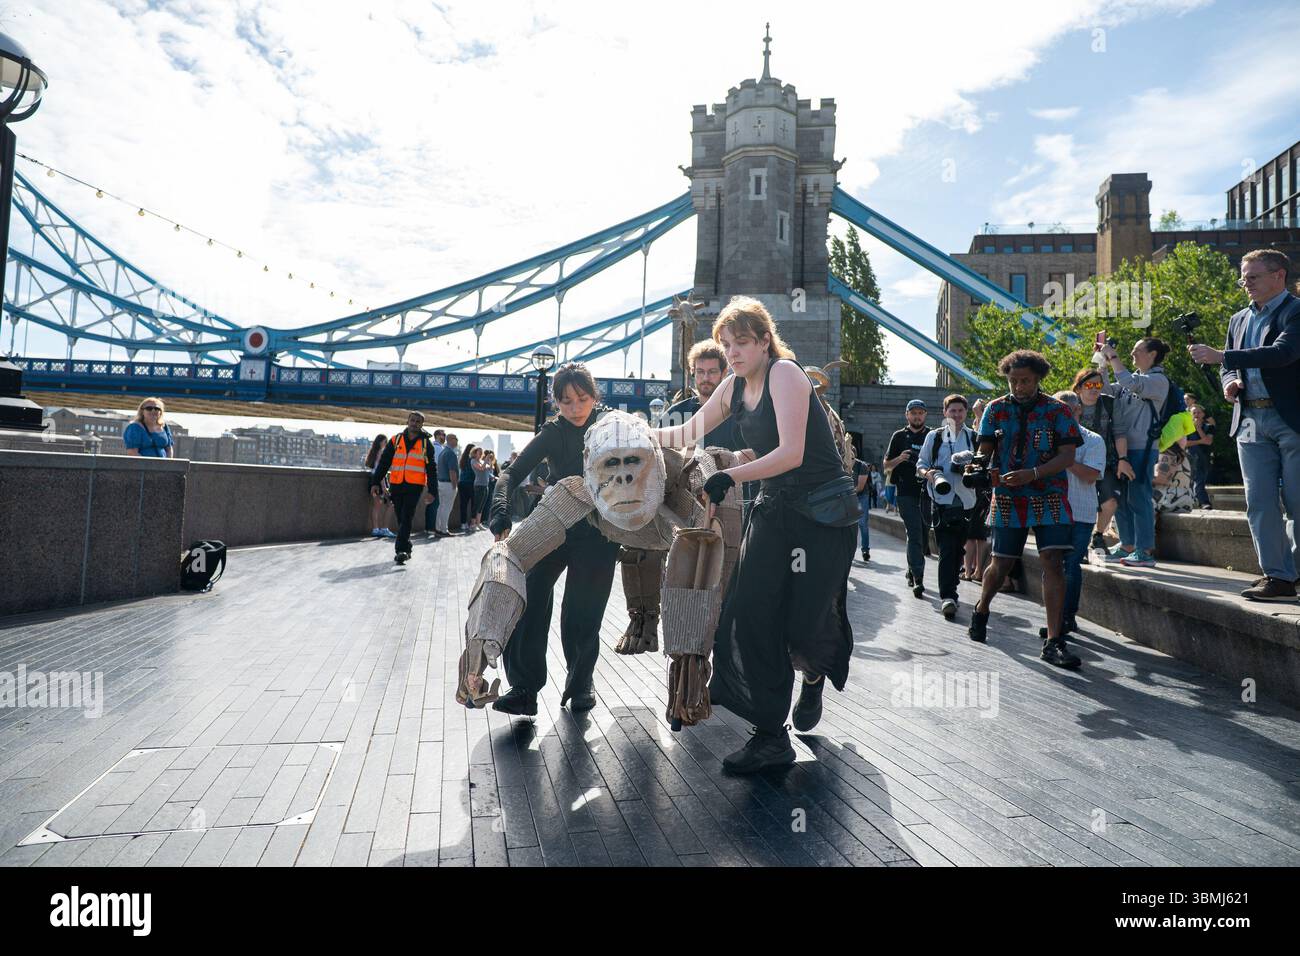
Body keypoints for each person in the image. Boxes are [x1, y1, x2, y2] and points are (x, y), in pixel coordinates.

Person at [653, 296, 857, 774]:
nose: (733, 352)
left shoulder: (786, 375)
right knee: (747, 615)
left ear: (765, 340)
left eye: (741, 342)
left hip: (820, 517)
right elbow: (685, 434)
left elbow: (790, 452)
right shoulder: (732, 386)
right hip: (774, 514)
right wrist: (631, 430)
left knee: (802, 625)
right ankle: (771, 737)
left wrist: (733, 477)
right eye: (726, 344)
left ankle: (813, 673)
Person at [489, 363, 622, 716]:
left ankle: (580, 684)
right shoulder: (552, 433)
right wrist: (500, 509)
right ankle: (523, 688)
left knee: (583, 609)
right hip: (554, 521)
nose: (575, 408)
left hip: (598, 529)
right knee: (528, 592)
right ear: (555, 403)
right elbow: (511, 474)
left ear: (595, 397)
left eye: (582, 399)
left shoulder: (613, 426)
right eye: (566, 401)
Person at [1189, 249, 1300, 601]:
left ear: (1278, 275)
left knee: (1297, 501)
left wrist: (1224, 358)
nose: (1245, 284)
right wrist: (1229, 380)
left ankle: (1296, 572)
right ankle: (1278, 577)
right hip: (1249, 417)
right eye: (1243, 278)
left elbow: (1284, 353)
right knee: (1259, 501)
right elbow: (1229, 366)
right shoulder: (1238, 319)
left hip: (1291, 419)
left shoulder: (1295, 311)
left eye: (1252, 277)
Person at [966, 350, 1082, 670]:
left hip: (1049, 493)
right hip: (1007, 493)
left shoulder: (1058, 411)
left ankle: (1054, 641)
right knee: (1001, 564)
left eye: (1025, 381)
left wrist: (1032, 474)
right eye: (1013, 380)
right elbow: (985, 447)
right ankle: (982, 607)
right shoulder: (995, 410)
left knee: (1053, 561)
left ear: (1038, 379)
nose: (1018, 386)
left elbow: (1067, 456)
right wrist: (978, 464)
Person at [1099, 337, 1172, 568]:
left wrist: (1113, 357)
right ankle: (1128, 544)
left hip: (1143, 447)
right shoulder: (1134, 379)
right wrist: (1102, 364)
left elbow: (1129, 382)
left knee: (1139, 497)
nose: (1131, 353)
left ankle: (1145, 550)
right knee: (1121, 499)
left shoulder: (1157, 381)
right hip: (1123, 448)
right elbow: (1109, 391)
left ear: (1152, 355)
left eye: (1137, 350)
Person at [916, 394, 978, 619]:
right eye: (952, 411)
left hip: (966, 501)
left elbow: (985, 465)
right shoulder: (935, 437)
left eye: (960, 410)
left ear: (966, 412)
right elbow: (921, 465)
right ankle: (948, 596)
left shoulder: (974, 438)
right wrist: (930, 475)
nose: (956, 414)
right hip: (941, 500)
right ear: (944, 413)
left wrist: (971, 469)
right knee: (947, 548)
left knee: (958, 548)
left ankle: (951, 590)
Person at [1053, 390, 1105, 641]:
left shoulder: (1093, 440)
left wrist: (1064, 458)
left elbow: (1091, 475)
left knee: (1071, 567)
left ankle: (1067, 617)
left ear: (1078, 411)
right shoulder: (1044, 438)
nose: (1060, 415)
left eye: (1066, 410)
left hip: (1080, 513)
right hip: (1051, 510)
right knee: (1051, 567)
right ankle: (1054, 619)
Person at [369, 411, 435, 564]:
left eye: (418, 421)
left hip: (415, 486)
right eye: (412, 420)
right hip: (397, 484)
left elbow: (431, 469)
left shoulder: (426, 444)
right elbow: (384, 463)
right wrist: (375, 482)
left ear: (422, 424)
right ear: (407, 421)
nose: (414, 423)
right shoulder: (396, 440)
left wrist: (432, 491)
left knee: (406, 516)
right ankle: (408, 546)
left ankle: (401, 550)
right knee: (400, 516)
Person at [1072, 367, 1126, 552]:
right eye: (1090, 384)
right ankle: (1078, 545)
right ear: (1079, 388)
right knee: (1077, 503)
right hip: (1076, 460)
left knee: (1110, 502)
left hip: (1105, 460)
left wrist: (1123, 459)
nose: (1095, 388)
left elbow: (1119, 433)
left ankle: (1098, 535)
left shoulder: (1109, 403)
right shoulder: (1070, 404)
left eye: (1098, 384)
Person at [884, 399, 932, 596]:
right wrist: (900, 458)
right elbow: (886, 465)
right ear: (907, 415)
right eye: (913, 413)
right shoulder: (898, 436)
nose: (917, 416)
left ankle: (912, 569)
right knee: (914, 533)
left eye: (920, 413)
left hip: (928, 493)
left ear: (925, 415)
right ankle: (919, 578)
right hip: (905, 492)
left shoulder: (932, 435)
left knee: (922, 535)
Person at [962, 397, 992, 582]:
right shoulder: (971, 438)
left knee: (979, 533)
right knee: (970, 533)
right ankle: (968, 569)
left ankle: (978, 570)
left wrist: (981, 412)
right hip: (972, 488)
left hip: (985, 489)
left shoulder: (986, 438)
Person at [1182, 393, 1215, 509]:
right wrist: (1201, 441)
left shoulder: (1209, 427)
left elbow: (1208, 442)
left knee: (1200, 478)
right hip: (1191, 456)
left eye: (1198, 412)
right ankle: (1203, 502)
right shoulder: (1186, 428)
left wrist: (1199, 429)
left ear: (1203, 414)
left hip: (1205, 456)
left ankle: (1195, 500)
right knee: (1198, 478)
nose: (1196, 414)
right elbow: (1184, 443)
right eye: (1194, 413)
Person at [364, 433, 397, 539]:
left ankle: (375, 529)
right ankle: (384, 528)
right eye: (385, 441)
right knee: (390, 504)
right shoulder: (382, 452)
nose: (386, 444)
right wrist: (384, 487)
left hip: (372, 480)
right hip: (379, 481)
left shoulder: (374, 452)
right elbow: (381, 471)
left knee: (376, 506)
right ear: (382, 442)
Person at [1154, 444, 1195, 514]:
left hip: (1174, 499)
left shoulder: (1167, 451)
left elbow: (1162, 479)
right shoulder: (1174, 450)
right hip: (1181, 499)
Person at [434, 434, 458, 536]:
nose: (457, 441)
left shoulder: (443, 452)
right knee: (447, 507)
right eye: (455, 439)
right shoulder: (450, 453)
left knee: (441, 507)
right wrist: (454, 485)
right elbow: (452, 471)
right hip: (448, 484)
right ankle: (444, 530)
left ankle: (438, 528)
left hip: (441, 482)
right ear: (450, 440)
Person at [425, 429, 446, 536]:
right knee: (435, 503)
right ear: (437, 436)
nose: (444, 437)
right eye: (443, 435)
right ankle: (431, 528)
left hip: (432, 478)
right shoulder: (438, 448)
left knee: (432, 502)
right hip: (437, 479)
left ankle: (428, 527)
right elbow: (437, 465)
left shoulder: (436, 447)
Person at [852, 456, 871, 562]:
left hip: (861, 496)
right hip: (848, 496)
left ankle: (865, 550)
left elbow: (860, 487)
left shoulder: (861, 466)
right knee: (849, 525)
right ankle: (850, 550)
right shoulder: (842, 464)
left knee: (863, 523)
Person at [457, 444, 479, 533]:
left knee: (463, 504)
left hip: (462, 483)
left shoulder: (462, 460)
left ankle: (463, 523)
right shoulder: (473, 461)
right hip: (471, 484)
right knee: (474, 504)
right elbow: (475, 473)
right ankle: (472, 523)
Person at [470, 446, 492, 530]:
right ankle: (472, 524)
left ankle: (478, 523)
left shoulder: (482, 461)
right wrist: (486, 460)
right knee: (476, 505)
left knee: (481, 506)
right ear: (475, 453)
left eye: (481, 452)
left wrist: (489, 460)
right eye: (479, 452)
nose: (481, 453)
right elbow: (481, 468)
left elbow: (490, 469)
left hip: (485, 485)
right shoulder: (473, 461)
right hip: (479, 486)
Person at [479, 449, 499, 525]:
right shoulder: (484, 462)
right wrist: (494, 477)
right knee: (485, 502)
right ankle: (484, 519)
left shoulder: (492, 462)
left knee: (489, 502)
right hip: (488, 483)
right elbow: (488, 472)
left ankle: (486, 519)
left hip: (491, 483)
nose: (491, 457)